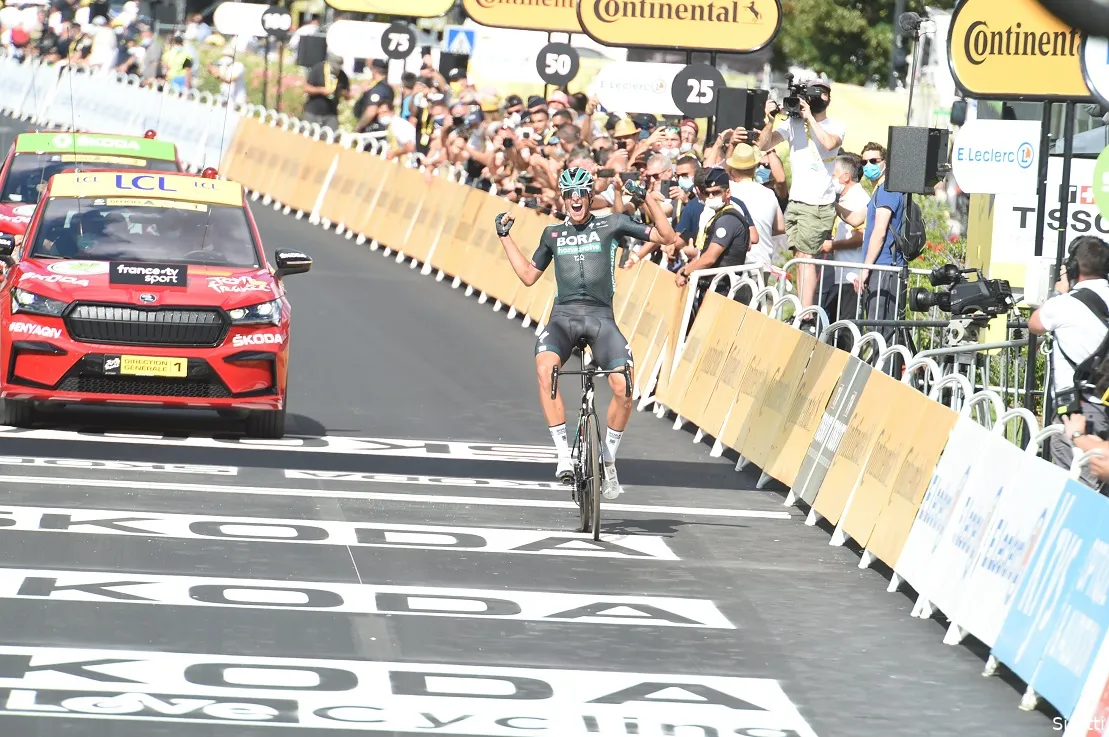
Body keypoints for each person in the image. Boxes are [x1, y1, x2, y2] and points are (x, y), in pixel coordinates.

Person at [493, 167, 676, 497]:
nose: (575, 199)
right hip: (563, 319)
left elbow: (667, 237)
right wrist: (505, 238)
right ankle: (564, 453)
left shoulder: (613, 223)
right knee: (544, 367)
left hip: (601, 320)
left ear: (591, 197)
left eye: (581, 193)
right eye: (569, 194)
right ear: (563, 199)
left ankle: (607, 459)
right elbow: (528, 276)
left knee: (624, 387)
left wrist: (647, 198)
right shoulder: (552, 234)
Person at [755, 80, 845, 309]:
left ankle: (805, 313)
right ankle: (801, 308)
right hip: (796, 201)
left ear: (828, 99)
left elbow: (828, 142)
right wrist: (770, 120)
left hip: (817, 203)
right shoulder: (793, 123)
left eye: (819, 94)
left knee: (806, 258)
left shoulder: (835, 125)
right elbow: (763, 145)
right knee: (799, 258)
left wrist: (810, 118)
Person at [1030, 236, 1109, 487]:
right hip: (1103, 404)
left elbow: (1035, 324)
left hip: (1078, 412)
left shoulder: (1064, 305)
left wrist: (1058, 292)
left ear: (1073, 268)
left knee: (1080, 488)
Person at [724, 143, 784, 267]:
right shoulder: (769, 193)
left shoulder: (728, 190)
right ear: (755, 167)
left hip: (736, 264)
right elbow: (780, 227)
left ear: (732, 168)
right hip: (763, 263)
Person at [303, 53, 350, 132]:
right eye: (334, 66)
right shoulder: (317, 69)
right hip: (313, 112)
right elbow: (306, 88)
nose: (336, 69)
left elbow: (348, 95)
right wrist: (321, 90)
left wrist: (342, 93)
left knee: (331, 138)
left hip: (331, 113)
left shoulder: (342, 75)